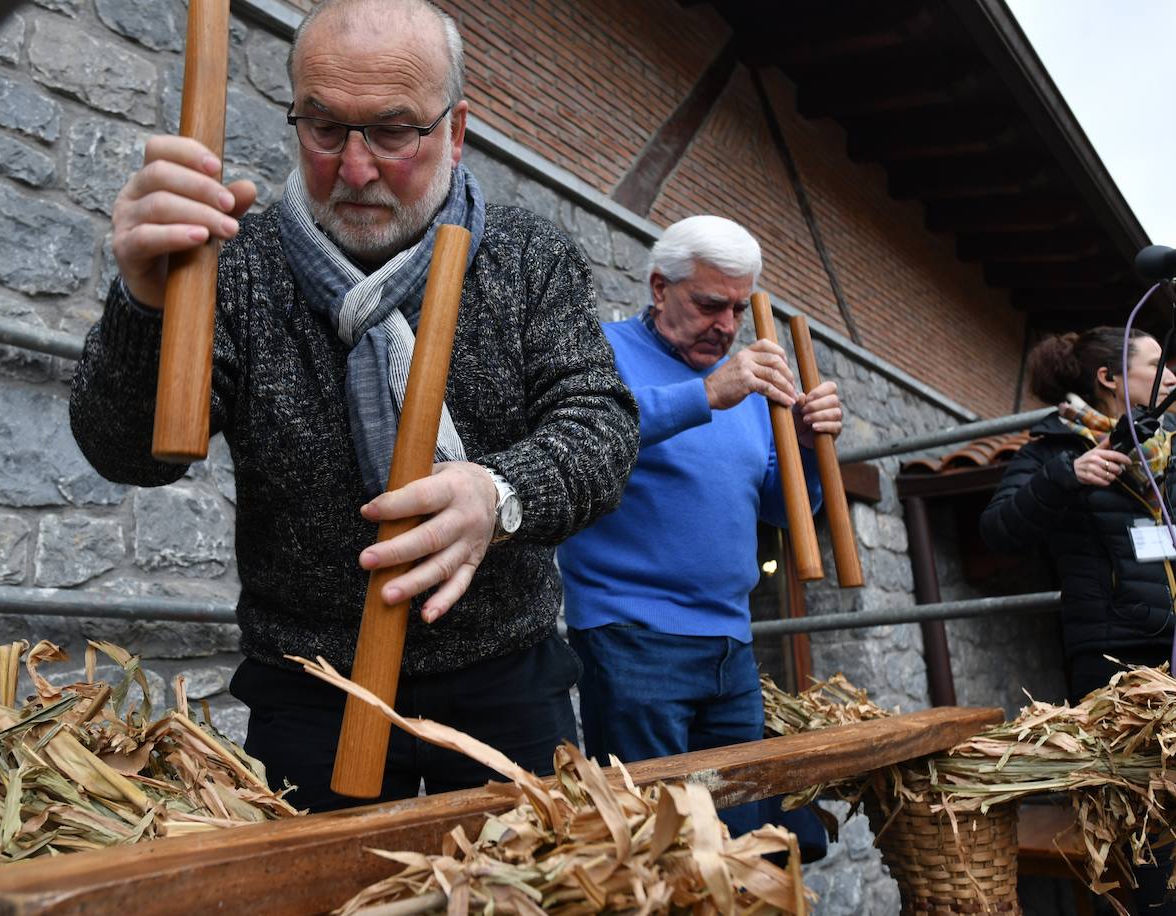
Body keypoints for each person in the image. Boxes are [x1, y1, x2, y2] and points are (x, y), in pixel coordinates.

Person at [69, 0, 639, 812]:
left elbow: (601, 426)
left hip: (507, 687)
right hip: (309, 695)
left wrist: (498, 494)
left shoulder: (526, 256)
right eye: (325, 127)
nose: (357, 167)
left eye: (394, 130)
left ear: (456, 129)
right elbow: (127, 455)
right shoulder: (238, 264)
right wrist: (143, 306)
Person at [556, 215, 841, 840]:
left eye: (738, 309)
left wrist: (806, 448)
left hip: (732, 644)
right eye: (710, 304)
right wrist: (705, 393)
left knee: (743, 837)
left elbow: (777, 508)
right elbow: (585, 437)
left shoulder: (749, 385)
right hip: (630, 636)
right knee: (657, 841)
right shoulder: (600, 352)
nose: (727, 326)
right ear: (660, 287)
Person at [980, 326, 1176, 912]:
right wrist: (1067, 477)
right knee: (1143, 831)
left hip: (1173, 653)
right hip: (1118, 667)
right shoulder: (1053, 450)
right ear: (1110, 378)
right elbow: (998, 531)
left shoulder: (1163, 451)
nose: (1172, 378)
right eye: (1158, 366)